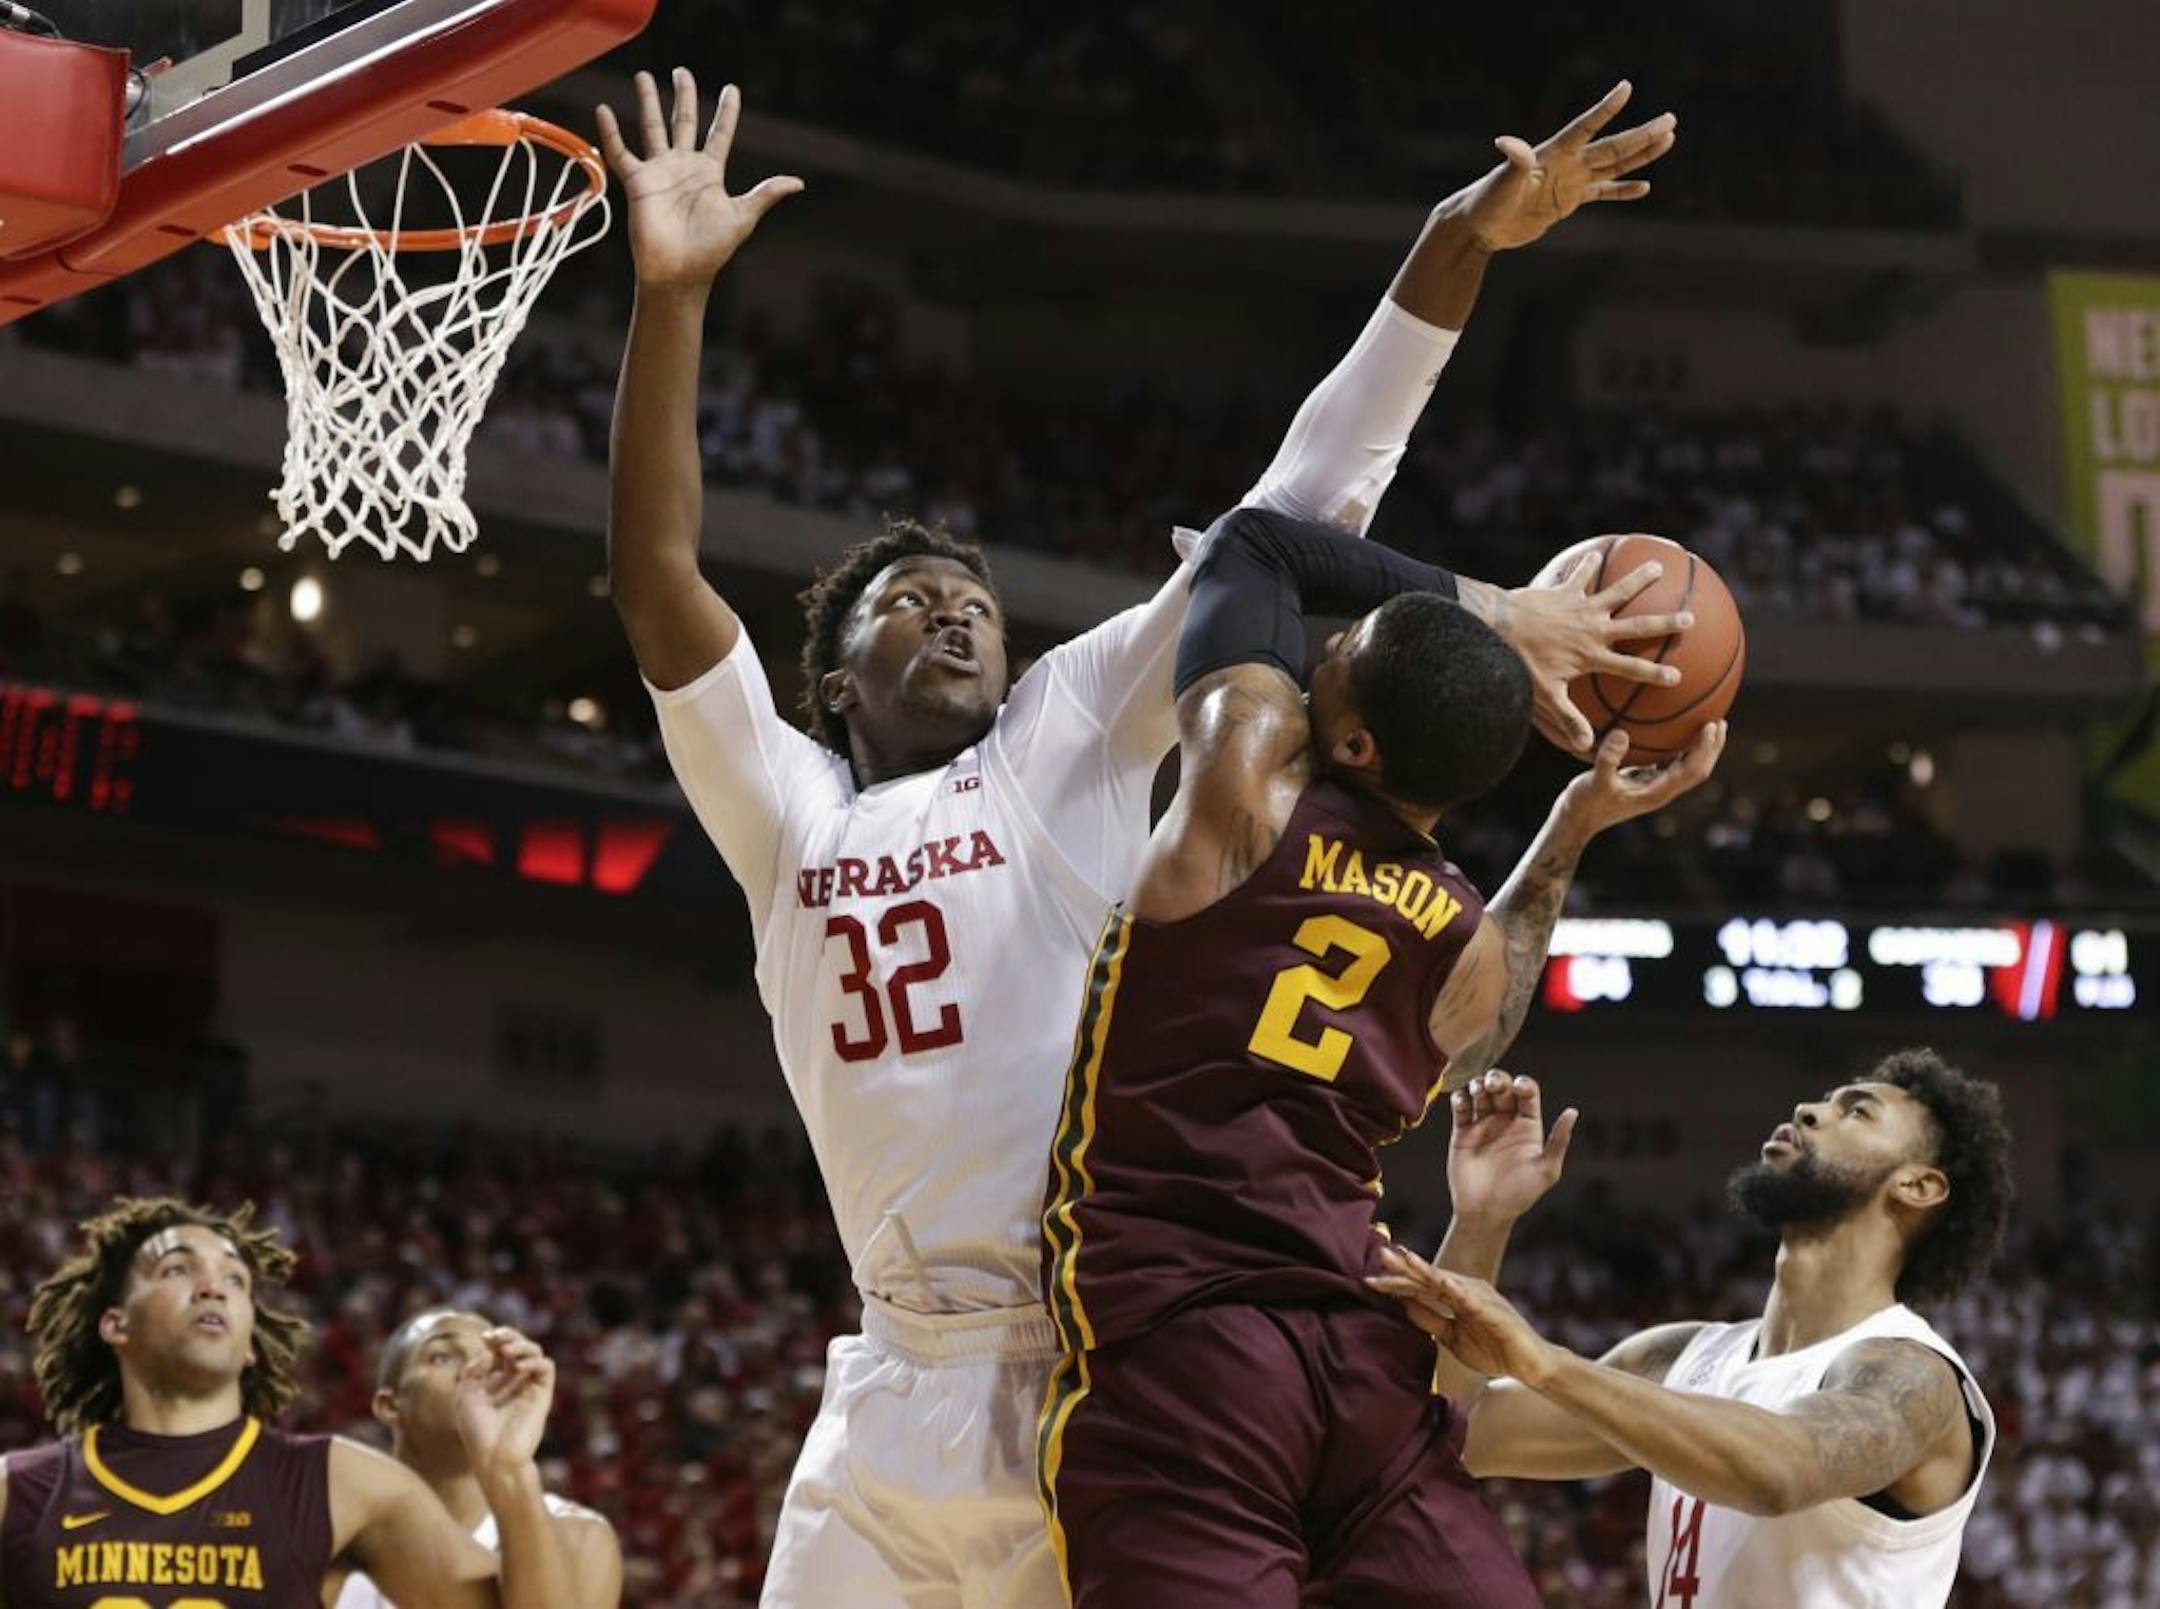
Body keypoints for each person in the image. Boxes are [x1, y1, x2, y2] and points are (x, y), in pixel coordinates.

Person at [595, 62, 1683, 1606]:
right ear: (833, 681)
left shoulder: (1066, 730)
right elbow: (656, 587)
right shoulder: (785, 811)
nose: (956, 607)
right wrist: (673, 296)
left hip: (1116, 1350)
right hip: (896, 1378)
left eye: (971, 593)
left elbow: (1303, 502)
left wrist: (1457, 245)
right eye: (908, 603)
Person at [1035, 496, 1726, 1607]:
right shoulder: (1462, 945)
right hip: (1362, 1355)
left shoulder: (1242, 792)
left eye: (1336, 656)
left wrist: (1507, 612)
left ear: (1352, 740)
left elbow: (1256, 545)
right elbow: (1483, 1021)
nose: (1313, 659)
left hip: (1181, 1342)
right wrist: (1574, 826)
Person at [1372, 1047, 2012, 1609]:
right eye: (1824, 1100)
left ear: (1918, 1185)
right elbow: (1462, 1429)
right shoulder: (1684, 1357)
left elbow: (1780, 1471)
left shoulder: (1915, 1376)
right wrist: (1484, 1219)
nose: (1809, 1110)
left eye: (1858, 1111)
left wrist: (1546, 1362)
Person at [0, 1198, 574, 1608]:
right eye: (177, 1269)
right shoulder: (18, 1490)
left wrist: (509, 1472)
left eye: (236, 1279)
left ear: (250, 1343)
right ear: (115, 1325)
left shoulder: (341, 1482)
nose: (213, 1287)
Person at [330, 1310, 623, 1608]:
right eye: (443, 1357)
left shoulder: (577, 1536)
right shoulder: (336, 1537)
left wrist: (509, 1470)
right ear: (390, 1406)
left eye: (490, 1361)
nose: (473, 1372)